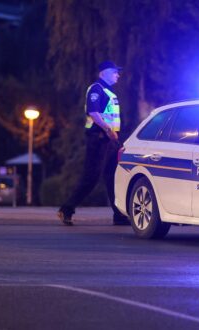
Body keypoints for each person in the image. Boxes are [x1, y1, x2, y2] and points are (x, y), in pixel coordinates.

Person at [57, 60, 130, 226]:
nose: (118, 75)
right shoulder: (96, 89)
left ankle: (118, 215)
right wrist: (107, 130)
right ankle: (66, 209)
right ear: (103, 73)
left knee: (112, 176)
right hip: (98, 139)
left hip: (108, 140)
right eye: (114, 72)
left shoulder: (108, 92)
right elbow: (93, 112)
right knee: (91, 177)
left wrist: (113, 135)